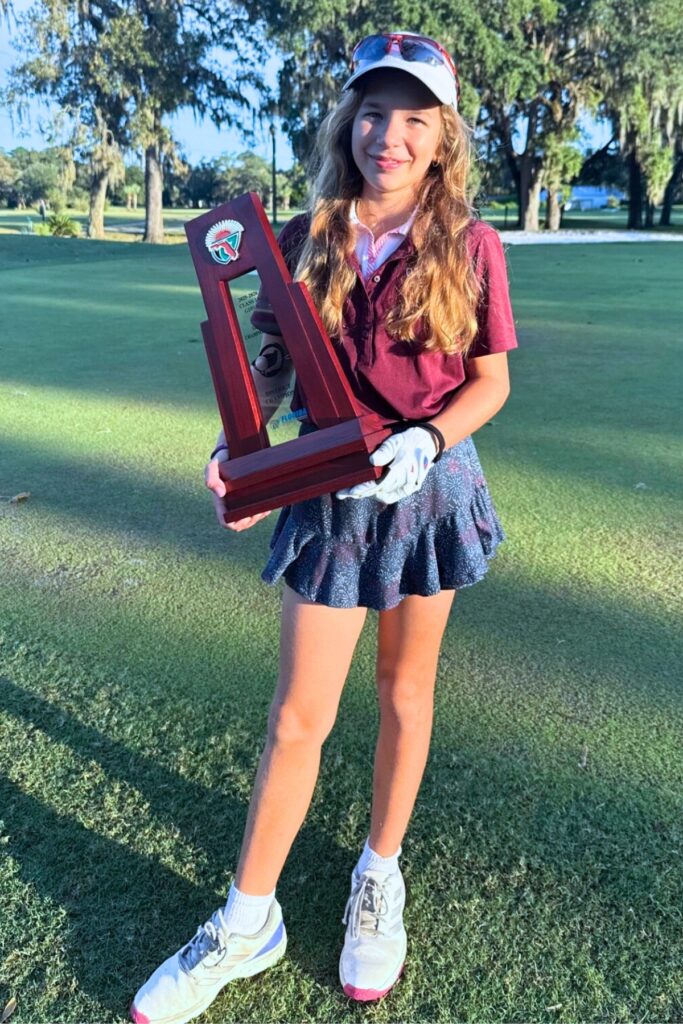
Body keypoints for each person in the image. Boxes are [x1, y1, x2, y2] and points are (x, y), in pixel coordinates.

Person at [130, 29, 518, 1024]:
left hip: (425, 487)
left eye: (413, 119)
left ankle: (376, 874)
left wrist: (428, 440)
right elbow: (262, 368)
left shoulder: (470, 245)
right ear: (348, 123)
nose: (388, 134)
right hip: (325, 491)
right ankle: (247, 918)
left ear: (442, 140)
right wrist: (237, 450)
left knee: (403, 689)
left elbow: (489, 382)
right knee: (298, 715)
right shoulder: (299, 236)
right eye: (373, 113)